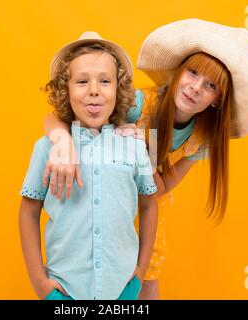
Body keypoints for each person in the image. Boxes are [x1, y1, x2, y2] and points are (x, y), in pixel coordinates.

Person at [43, 19, 248, 299]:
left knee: (145, 280)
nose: (196, 87)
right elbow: (57, 115)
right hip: (107, 199)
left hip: (148, 211)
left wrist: (145, 156)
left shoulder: (202, 138)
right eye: (193, 72)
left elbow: (162, 188)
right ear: (178, 72)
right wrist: (62, 141)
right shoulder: (140, 104)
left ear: (217, 99)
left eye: (210, 85)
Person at [18, 31, 158, 300]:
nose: (94, 89)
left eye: (105, 81)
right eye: (82, 81)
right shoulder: (46, 148)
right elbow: (28, 210)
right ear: (65, 90)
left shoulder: (136, 146)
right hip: (63, 290)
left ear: (118, 90)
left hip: (122, 289)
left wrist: (140, 271)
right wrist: (39, 281)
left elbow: (150, 204)